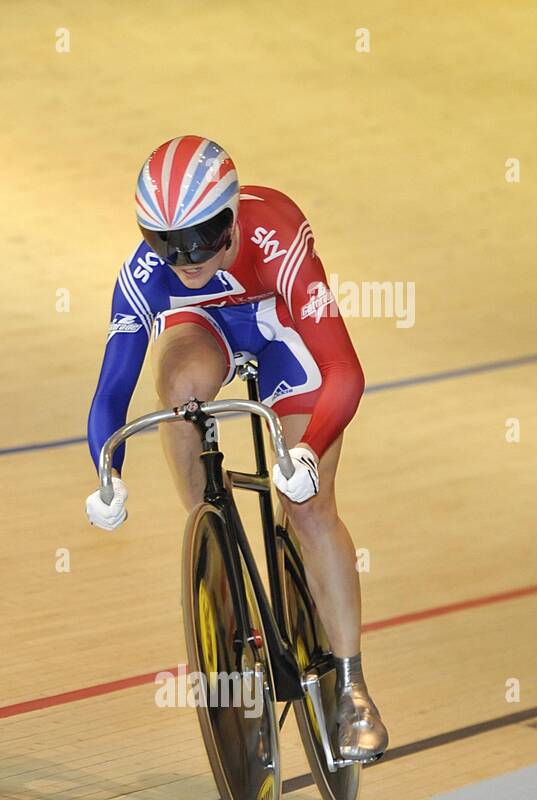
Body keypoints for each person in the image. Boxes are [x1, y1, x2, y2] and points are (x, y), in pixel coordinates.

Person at [84, 135, 388, 761]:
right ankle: (214, 539)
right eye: (164, 242)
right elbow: (110, 391)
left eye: (198, 239)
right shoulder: (150, 273)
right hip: (208, 326)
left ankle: (355, 688)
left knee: (307, 508)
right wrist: (106, 471)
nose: (183, 258)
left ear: (231, 220)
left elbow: (344, 371)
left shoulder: (274, 231)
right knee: (178, 389)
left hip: (280, 325)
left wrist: (310, 449)